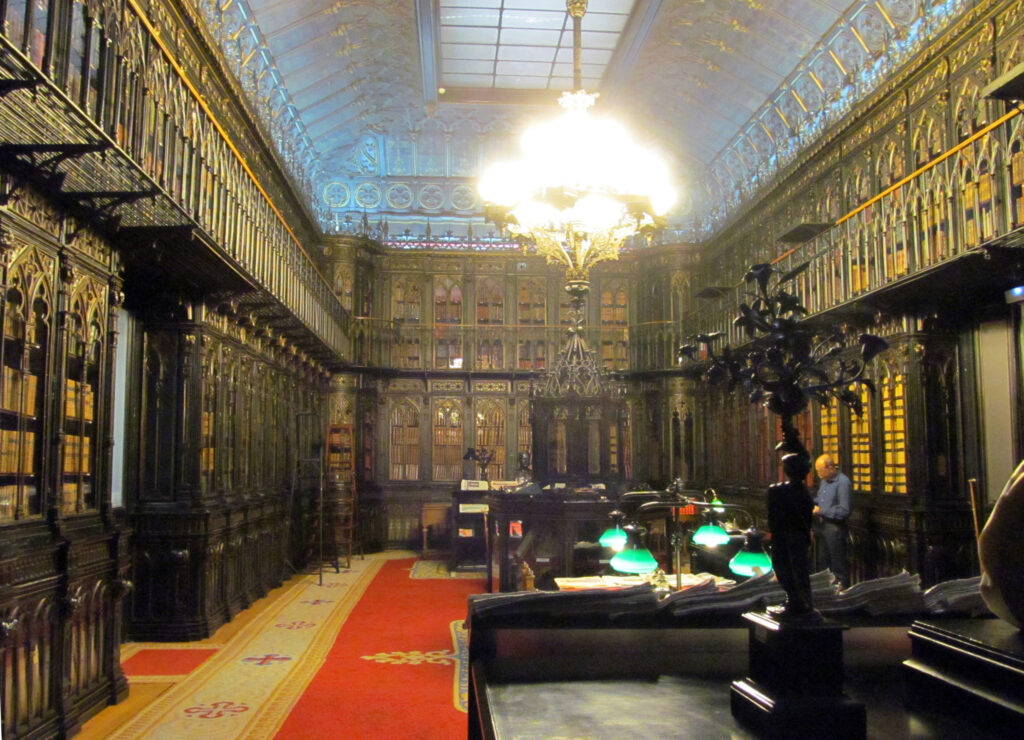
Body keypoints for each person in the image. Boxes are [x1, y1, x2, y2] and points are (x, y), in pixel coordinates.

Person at [813, 454, 851, 588]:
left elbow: (844, 510)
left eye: (819, 470)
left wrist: (821, 510)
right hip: (822, 526)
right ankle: (826, 592)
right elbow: (820, 500)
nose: (817, 473)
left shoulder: (842, 482)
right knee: (824, 564)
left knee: (837, 565)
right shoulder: (824, 480)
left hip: (835, 528)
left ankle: (841, 594)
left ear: (830, 468)